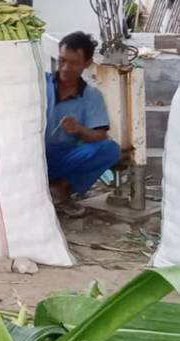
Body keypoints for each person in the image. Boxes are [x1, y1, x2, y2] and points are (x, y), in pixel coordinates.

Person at [45, 31, 121, 217]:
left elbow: (100, 135)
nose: (65, 68)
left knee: (110, 149)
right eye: (62, 60)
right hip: (35, 155)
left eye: (74, 63)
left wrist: (79, 129)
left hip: (64, 158)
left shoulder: (91, 95)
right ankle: (53, 191)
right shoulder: (40, 84)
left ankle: (60, 189)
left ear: (87, 64)